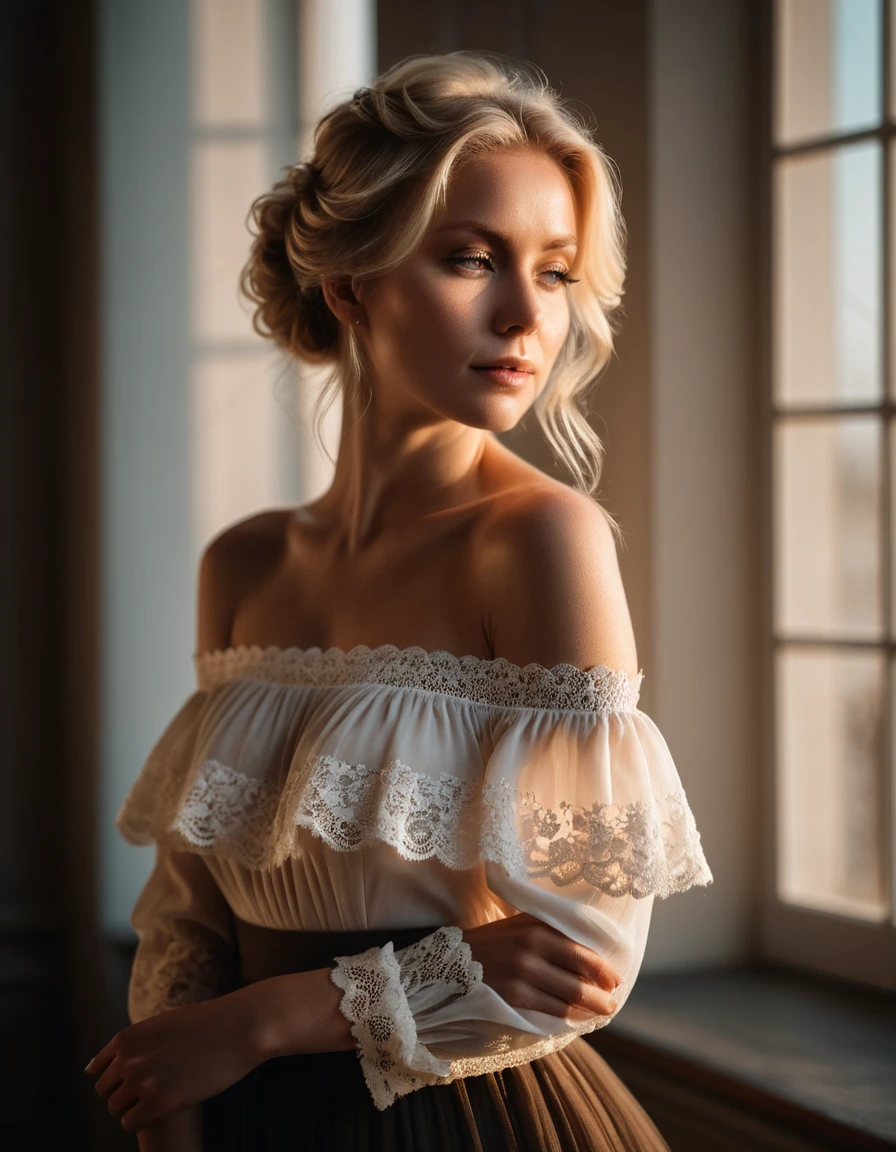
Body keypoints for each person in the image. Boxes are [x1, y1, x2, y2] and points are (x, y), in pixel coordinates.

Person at [85, 50, 713, 1151]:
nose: (525, 314)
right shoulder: (240, 563)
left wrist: (269, 1019)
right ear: (350, 284)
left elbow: (579, 961)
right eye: (472, 259)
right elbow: (186, 907)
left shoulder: (540, 542)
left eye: (556, 271)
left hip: (462, 1116)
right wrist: (170, 1105)